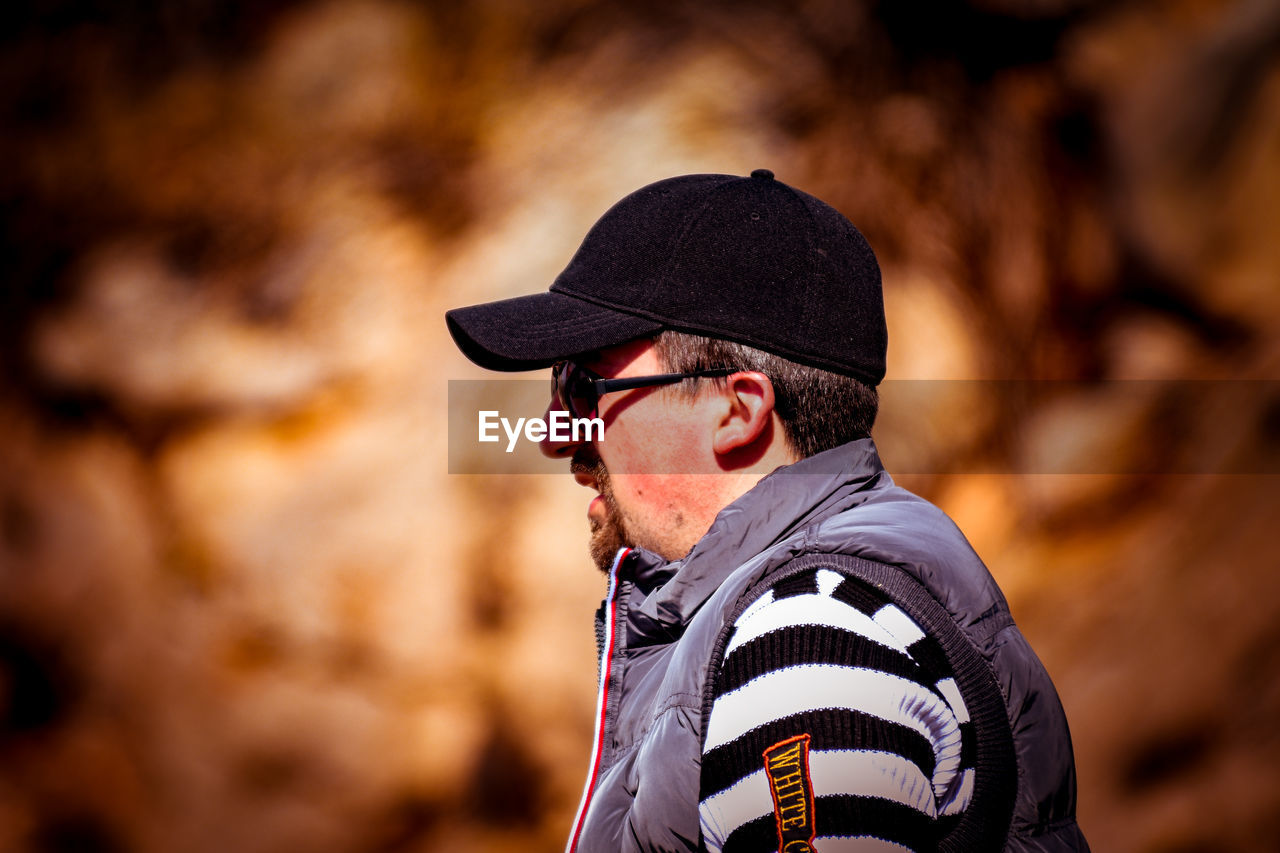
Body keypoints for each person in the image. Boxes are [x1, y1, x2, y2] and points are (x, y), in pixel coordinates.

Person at [445, 170, 1089, 852]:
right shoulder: (823, 604)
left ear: (737, 411)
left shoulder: (809, 639)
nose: (553, 434)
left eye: (583, 382)